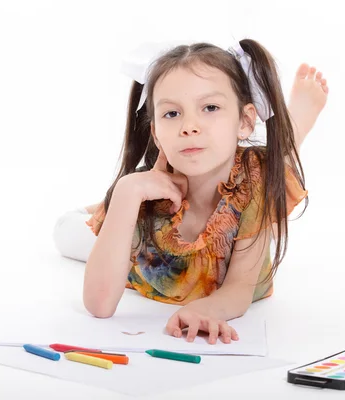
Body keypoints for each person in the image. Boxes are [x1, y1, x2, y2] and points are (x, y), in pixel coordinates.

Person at [54, 39, 328, 345]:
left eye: (210, 107)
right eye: (172, 114)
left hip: (243, 199)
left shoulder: (254, 183)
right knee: (65, 230)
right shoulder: (139, 203)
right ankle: (100, 208)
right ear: (156, 133)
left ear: (246, 121)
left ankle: (292, 130)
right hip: (148, 247)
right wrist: (125, 195)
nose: (189, 126)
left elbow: (239, 290)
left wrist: (204, 310)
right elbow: (99, 306)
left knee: (272, 182)